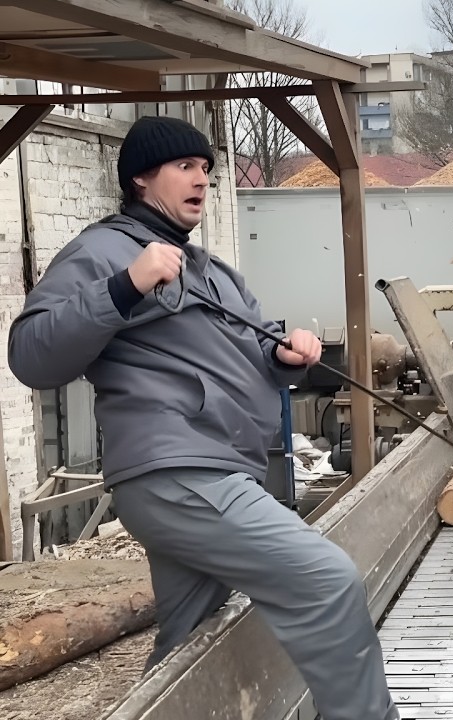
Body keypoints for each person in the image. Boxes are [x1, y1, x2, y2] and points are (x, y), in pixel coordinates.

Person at [7, 115, 400, 720]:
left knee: (188, 643)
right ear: (141, 176)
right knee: (328, 582)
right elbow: (31, 353)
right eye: (186, 167)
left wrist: (284, 352)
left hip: (218, 467)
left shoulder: (213, 271)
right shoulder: (102, 251)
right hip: (177, 471)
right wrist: (124, 287)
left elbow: (254, 345)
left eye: (208, 171)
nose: (202, 181)